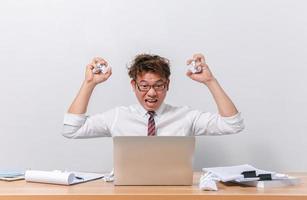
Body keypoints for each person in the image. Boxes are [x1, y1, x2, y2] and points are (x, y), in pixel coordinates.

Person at [62, 53, 244, 138]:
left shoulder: (186, 117)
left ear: (167, 85)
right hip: (127, 191)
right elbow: (71, 129)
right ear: (133, 85)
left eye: (159, 85)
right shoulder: (118, 116)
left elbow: (233, 125)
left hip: (174, 191)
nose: (151, 93)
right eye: (144, 86)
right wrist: (89, 83)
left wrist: (210, 81)